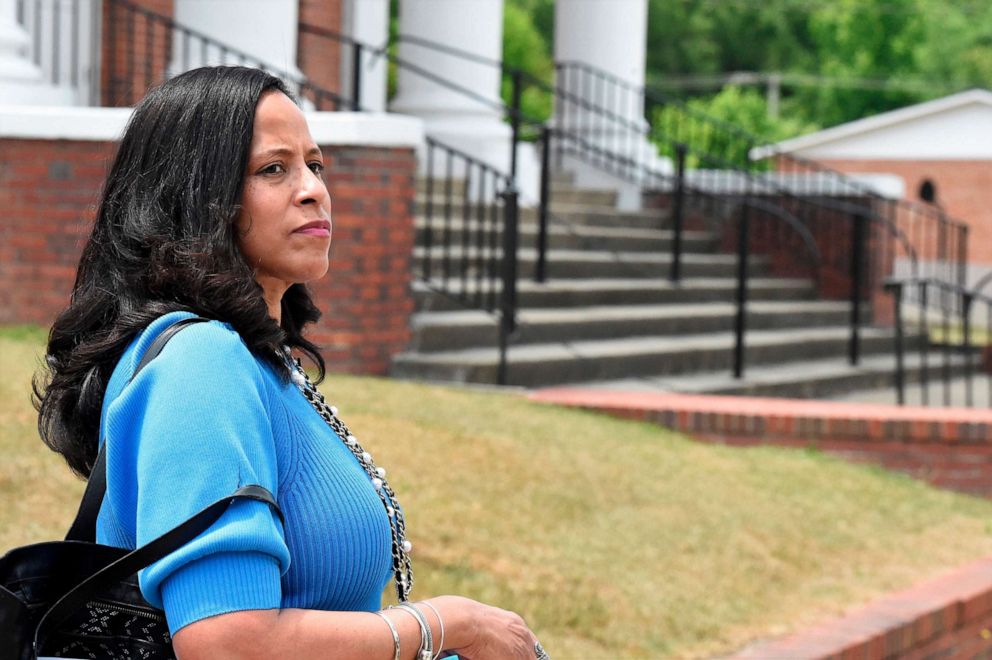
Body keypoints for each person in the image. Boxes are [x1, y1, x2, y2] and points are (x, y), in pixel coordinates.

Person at [34, 66, 544, 659]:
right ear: (196, 197)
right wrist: (448, 625)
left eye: (315, 165)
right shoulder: (200, 364)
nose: (313, 189)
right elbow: (228, 644)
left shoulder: (260, 363)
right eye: (273, 169)